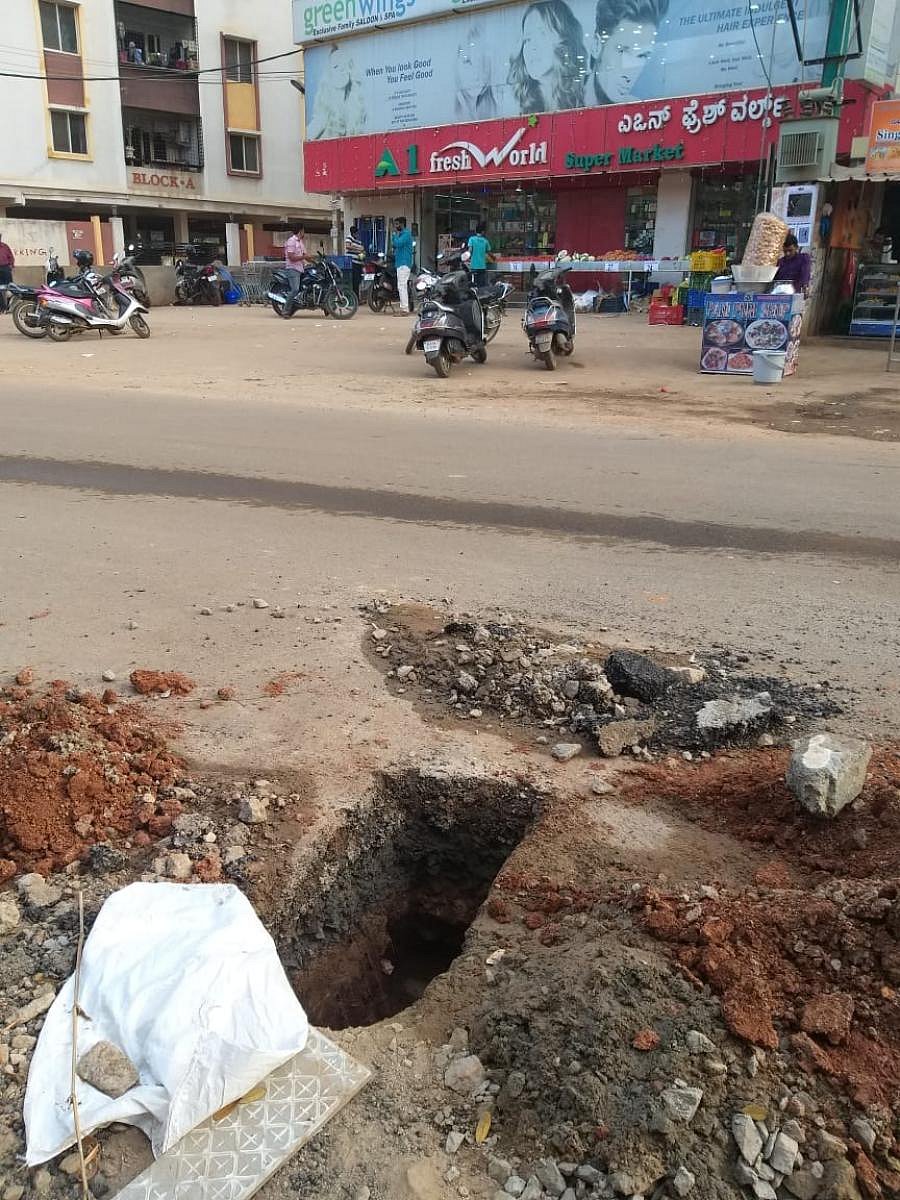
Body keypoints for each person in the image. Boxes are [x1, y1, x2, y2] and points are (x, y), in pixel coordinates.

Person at [508, 0, 587, 116]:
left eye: (542, 34)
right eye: (527, 39)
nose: (532, 47)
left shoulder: (586, 96)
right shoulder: (516, 104)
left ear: (563, 40)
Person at [591, 0, 668, 106]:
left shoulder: (642, 111)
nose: (629, 74)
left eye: (642, 56)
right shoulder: (568, 98)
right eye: (622, 51)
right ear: (597, 46)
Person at [307, 43, 366, 140]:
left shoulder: (356, 105)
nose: (341, 70)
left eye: (344, 65)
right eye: (335, 66)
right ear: (329, 73)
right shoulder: (324, 113)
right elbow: (307, 139)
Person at [456, 23, 498, 121]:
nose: (476, 75)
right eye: (467, 62)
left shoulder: (495, 110)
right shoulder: (450, 111)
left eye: (481, 63)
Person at [391, 217, 414, 314]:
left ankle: (404, 309)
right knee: (401, 286)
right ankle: (404, 307)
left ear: (402, 224)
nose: (395, 226)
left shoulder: (406, 234)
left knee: (402, 286)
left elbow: (398, 243)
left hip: (404, 263)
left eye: (397, 224)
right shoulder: (401, 234)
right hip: (400, 262)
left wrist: (394, 235)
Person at [346, 222, 366, 298]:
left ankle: (357, 296)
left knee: (358, 280)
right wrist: (358, 249)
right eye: (356, 233)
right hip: (352, 262)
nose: (357, 235)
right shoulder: (349, 238)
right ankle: (355, 297)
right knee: (354, 280)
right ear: (353, 233)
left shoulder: (358, 241)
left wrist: (362, 253)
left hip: (359, 263)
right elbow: (348, 246)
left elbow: (362, 250)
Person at [0, 233, 15, 314]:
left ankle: (9, 306)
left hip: (5, 268)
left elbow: (11, 257)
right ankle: (2, 307)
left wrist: (11, 266)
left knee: (10, 288)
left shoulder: (5, 246)